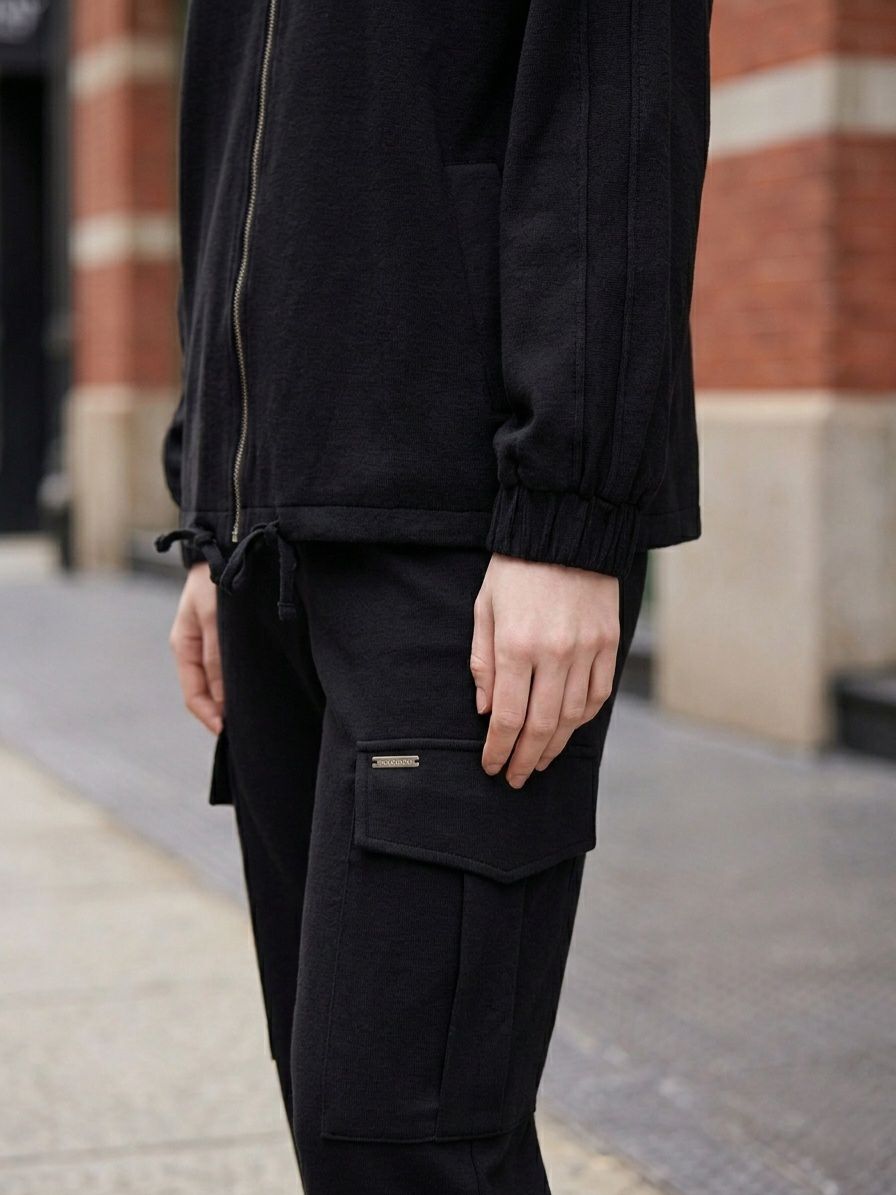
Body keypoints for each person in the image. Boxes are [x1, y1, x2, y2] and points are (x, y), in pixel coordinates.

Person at [155, 1, 712, 1191]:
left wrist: (570, 516)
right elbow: (231, 141)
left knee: (407, 1139)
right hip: (271, 541)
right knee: (339, 1125)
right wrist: (208, 507)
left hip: (463, 548)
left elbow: (614, 98)